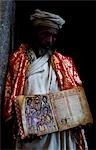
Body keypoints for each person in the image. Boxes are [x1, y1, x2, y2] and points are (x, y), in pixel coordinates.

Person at [3, 9, 88, 150]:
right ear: (34, 33)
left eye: (54, 36)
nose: (50, 40)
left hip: (60, 133)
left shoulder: (63, 62)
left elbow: (75, 97)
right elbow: (10, 99)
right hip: (32, 132)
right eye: (45, 34)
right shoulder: (19, 60)